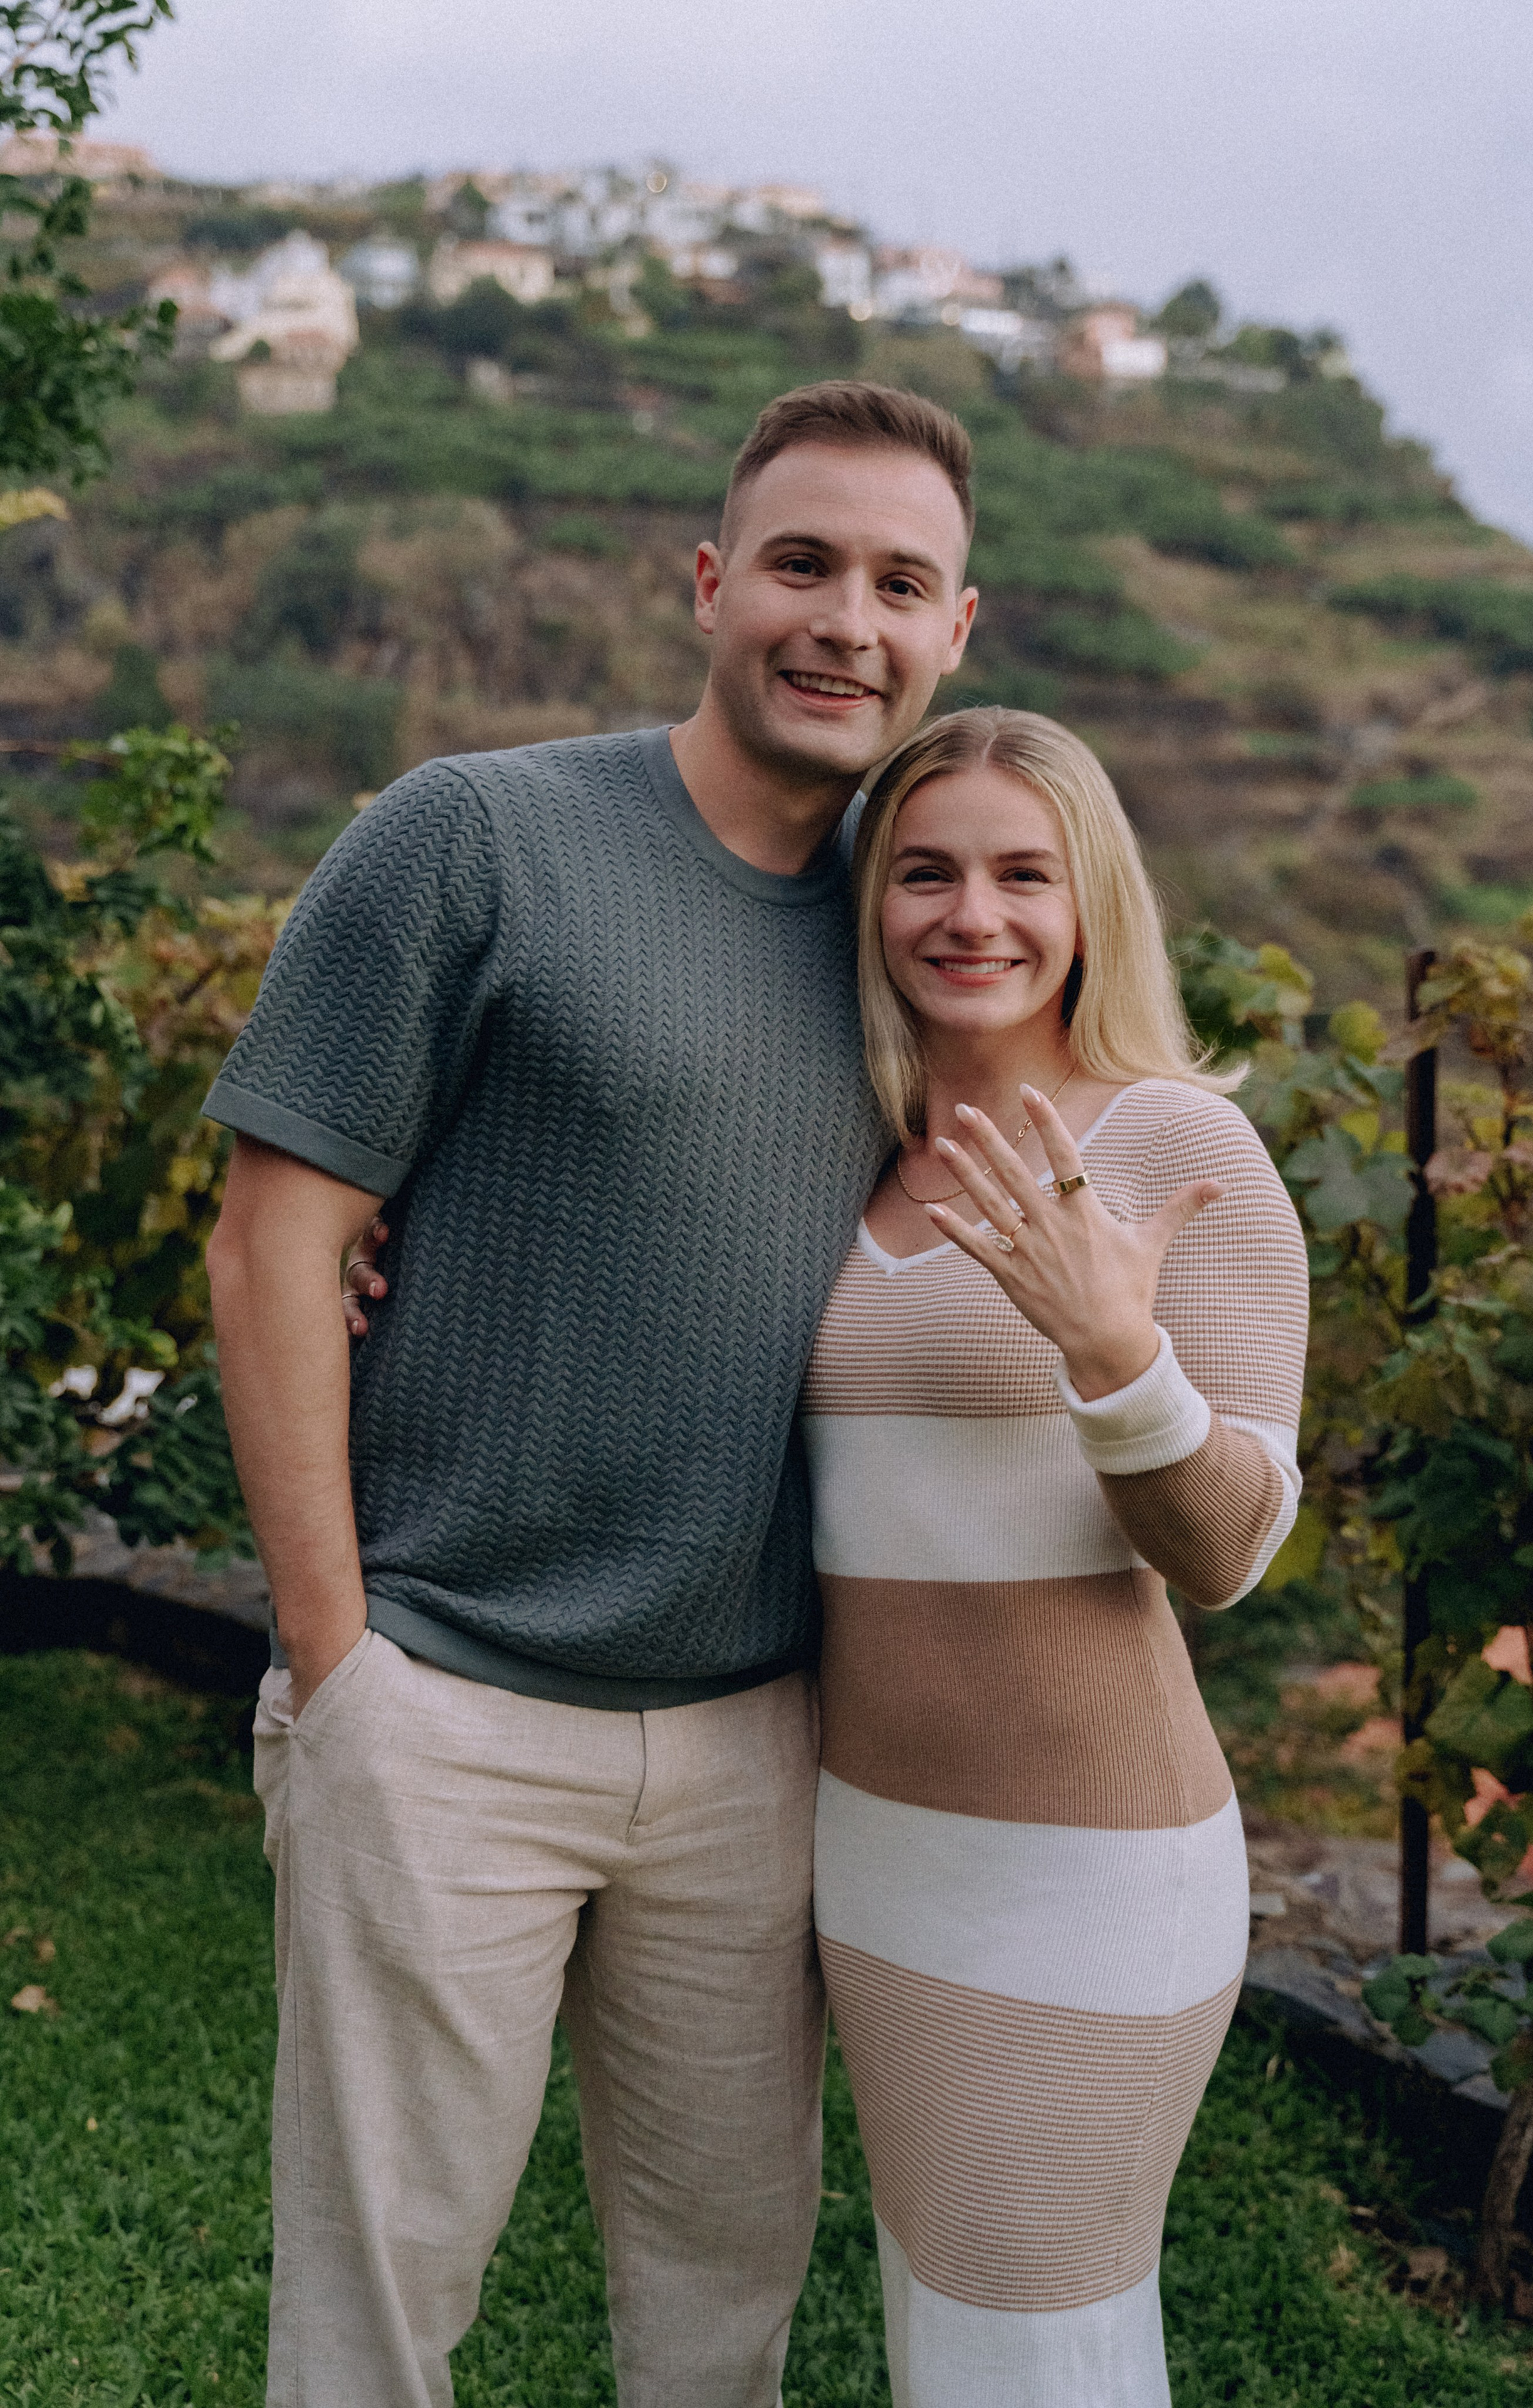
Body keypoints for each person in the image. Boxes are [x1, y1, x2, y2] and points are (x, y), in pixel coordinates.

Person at [201, 379, 978, 2408]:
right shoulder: (474, 835)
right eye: (803, 564)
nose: (847, 621)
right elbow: (274, 1239)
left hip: (758, 1737)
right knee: (378, 2308)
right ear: (710, 583)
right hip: (439, 1699)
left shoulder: (923, 929)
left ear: (957, 629)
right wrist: (339, 1664)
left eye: (900, 583)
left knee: (725, 2312)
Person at [799, 706, 1308, 2405]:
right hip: (874, 1854)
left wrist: (1116, 1357)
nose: (974, 916)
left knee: (1035, 2333)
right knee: (950, 2326)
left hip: (1087, 1868)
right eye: (924, 872)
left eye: (1025, 875)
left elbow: (1232, 1548)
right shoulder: (848, 1150)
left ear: (1093, 904)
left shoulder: (1172, 1146)